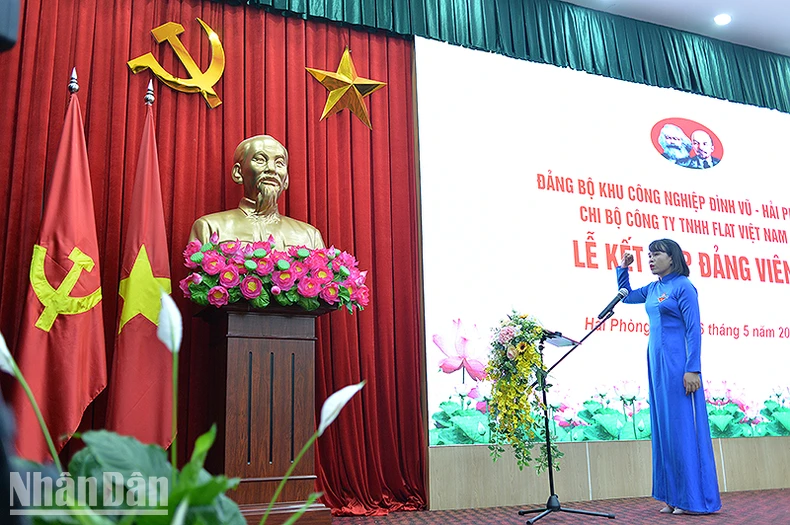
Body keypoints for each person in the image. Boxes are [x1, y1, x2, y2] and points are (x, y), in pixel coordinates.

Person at [618, 239, 721, 515]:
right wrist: (622, 268)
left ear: (672, 258)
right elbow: (625, 295)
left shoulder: (683, 287)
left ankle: (694, 498)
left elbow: (693, 329)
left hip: (679, 366)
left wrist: (693, 368)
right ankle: (673, 497)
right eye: (648, 255)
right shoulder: (653, 289)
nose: (650, 259)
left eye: (656, 254)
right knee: (664, 431)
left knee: (681, 428)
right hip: (657, 365)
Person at [189, 135, 325, 250]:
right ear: (238, 172)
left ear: (286, 180)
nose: (272, 169)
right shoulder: (210, 227)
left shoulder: (309, 236)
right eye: (260, 160)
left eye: (279, 163)